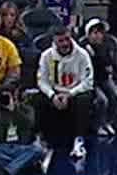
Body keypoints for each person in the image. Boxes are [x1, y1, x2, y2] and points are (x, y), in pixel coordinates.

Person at [35, 27, 95, 160]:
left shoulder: (82, 54)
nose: (64, 44)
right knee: (38, 98)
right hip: (55, 92)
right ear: (55, 41)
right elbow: (41, 81)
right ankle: (42, 140)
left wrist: (70, 94)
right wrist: (52, 95)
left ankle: (79, 141)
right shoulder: (46, 56)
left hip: (75, 92)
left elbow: (88, 82)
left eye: (67, 39)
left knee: (84, 99)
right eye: (60, 41)